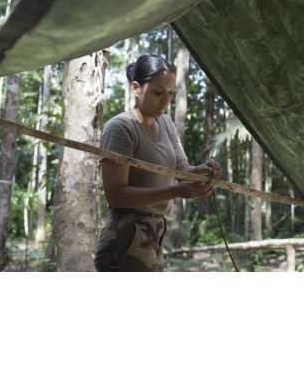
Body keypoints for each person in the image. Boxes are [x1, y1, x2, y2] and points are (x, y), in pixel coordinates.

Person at [94, 54, 221, 272]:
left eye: (170, 93)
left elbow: (183, 170)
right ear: (136, 88)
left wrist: (202, 171)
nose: (166, 100)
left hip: (156, 232)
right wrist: (176, 191)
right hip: (126, 233)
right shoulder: (121, 128)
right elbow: (116, 196)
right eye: (158, 92)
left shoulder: (167, 123)